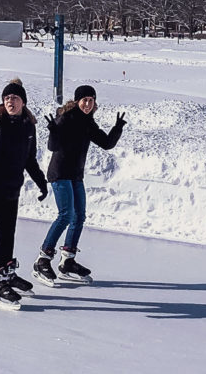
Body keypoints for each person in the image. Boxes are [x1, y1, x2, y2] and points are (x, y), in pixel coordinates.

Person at [33, 85, 126, 286]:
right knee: (65, 215)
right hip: (60, 174)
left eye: (91, 100)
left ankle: (67, 261)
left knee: (79, 216)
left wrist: (117, 127)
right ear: (77, 101)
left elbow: (107, 143)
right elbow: (53, 147)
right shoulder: (66, 117)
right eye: (84, 100)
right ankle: (43, 259)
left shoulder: (88, 122)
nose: (87, 104)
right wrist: (53, 131)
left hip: (75, 175)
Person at [0, 78, 48, 310]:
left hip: (13, 188)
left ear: (23, 102)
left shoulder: (28, 126)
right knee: (4, 232)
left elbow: (29, 159)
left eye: (14, 98)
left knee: (10, 231)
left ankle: (7, 272)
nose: (10, 101)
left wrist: (41, 182)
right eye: (7, 98)